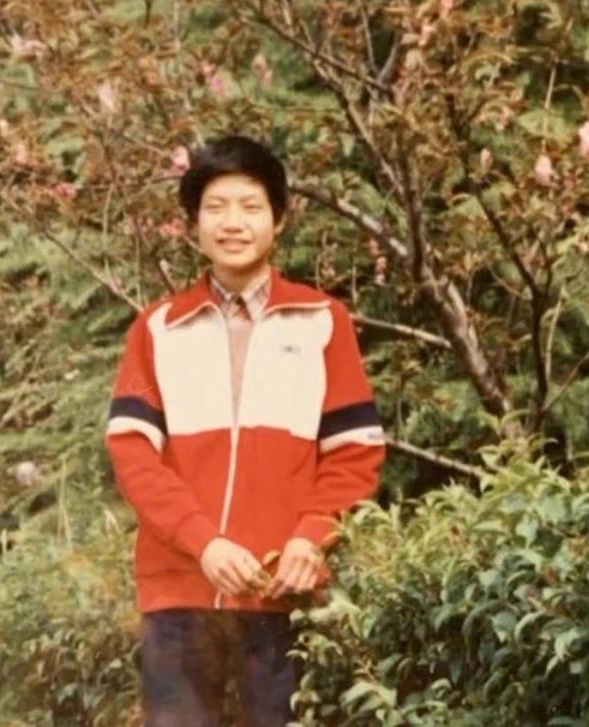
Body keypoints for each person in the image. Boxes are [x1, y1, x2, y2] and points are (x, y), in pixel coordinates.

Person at [105, 135, 385, 726]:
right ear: (194, 223)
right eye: (216, 207)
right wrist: (204, 542)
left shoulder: (321, 322)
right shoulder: (158, 328)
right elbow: (134, 455)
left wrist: (312, 537)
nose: (233, 223)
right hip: (179, 593)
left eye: (251, 206)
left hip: (281, 591)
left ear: (278, 220)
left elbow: (354, 453)